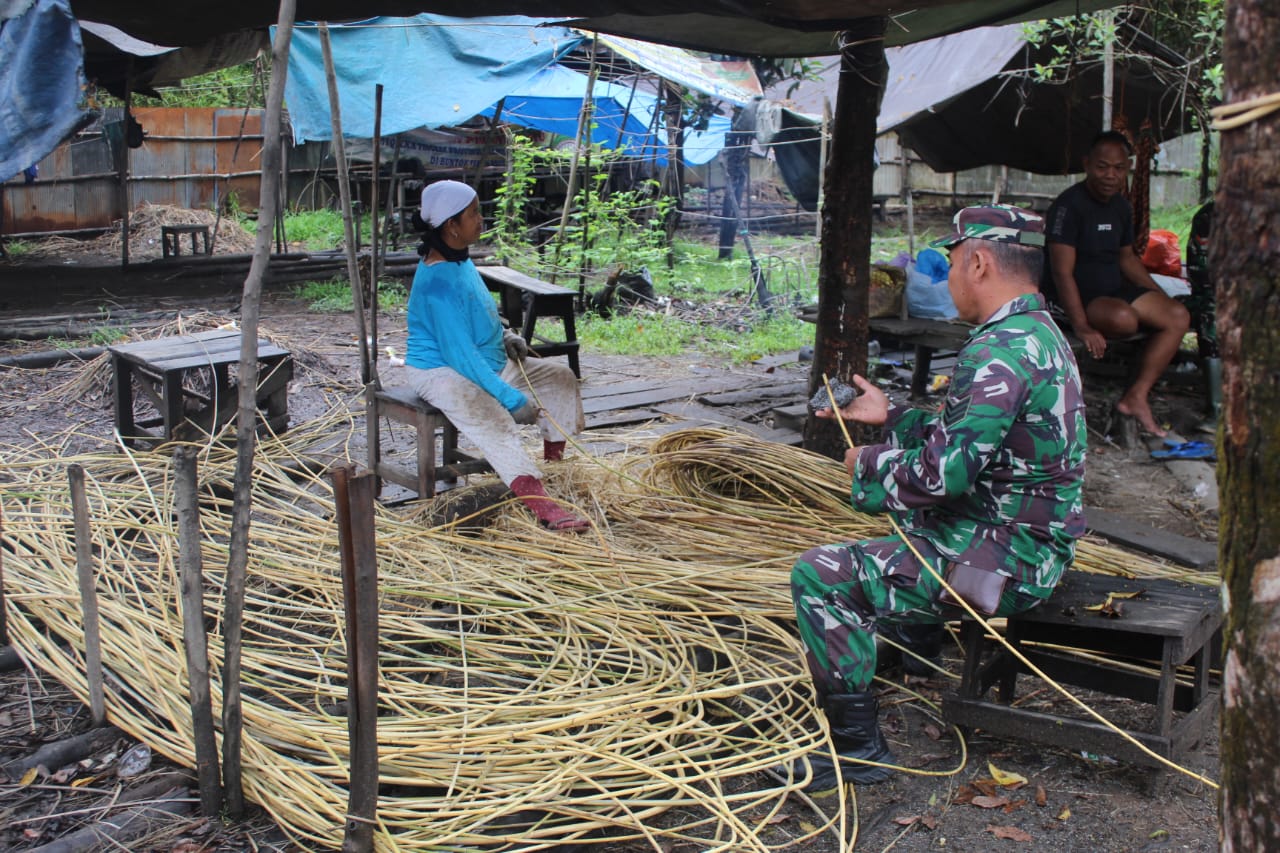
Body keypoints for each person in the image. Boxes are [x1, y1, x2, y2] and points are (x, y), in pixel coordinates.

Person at [789, 205, 1087, 791]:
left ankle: (857, 750)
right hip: (1032, 543)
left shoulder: (996, 351)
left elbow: (941, 477)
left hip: (1005, 561)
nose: (948, 276)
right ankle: (911, 646)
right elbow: (979, 446)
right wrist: (893, 416)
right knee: (910, 529)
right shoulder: (1038, 333)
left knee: (820, 574)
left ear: (978, 262)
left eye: (950, 262)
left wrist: (866, 461)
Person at [403, 180, 589, 532]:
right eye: (473, 213)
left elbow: (476, 313)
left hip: (485, 361)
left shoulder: (459, 260)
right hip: (440, 370)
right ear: (450, 226)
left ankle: (556, 467)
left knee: (560, 378)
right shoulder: (437, 281)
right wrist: (509, 397)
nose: (480, 219)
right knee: (494, 417)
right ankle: (544, 507)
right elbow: (461, 357)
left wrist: (504, 335)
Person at [1042, 130, 1191, 437]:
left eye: (1119, 168)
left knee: (1177, 316)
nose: (1110, 175)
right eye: (1102, 167)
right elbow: (1061, 273)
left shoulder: (1121, 207)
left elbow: (1127, 259)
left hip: (1113, 291)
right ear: (1087, 164)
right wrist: (1082, 326)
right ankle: (1127, 383)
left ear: (1128, 168)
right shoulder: (1069, 207)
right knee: (1125, 321)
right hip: (1079, 297)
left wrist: (1158, 294)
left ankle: (1136, 396)